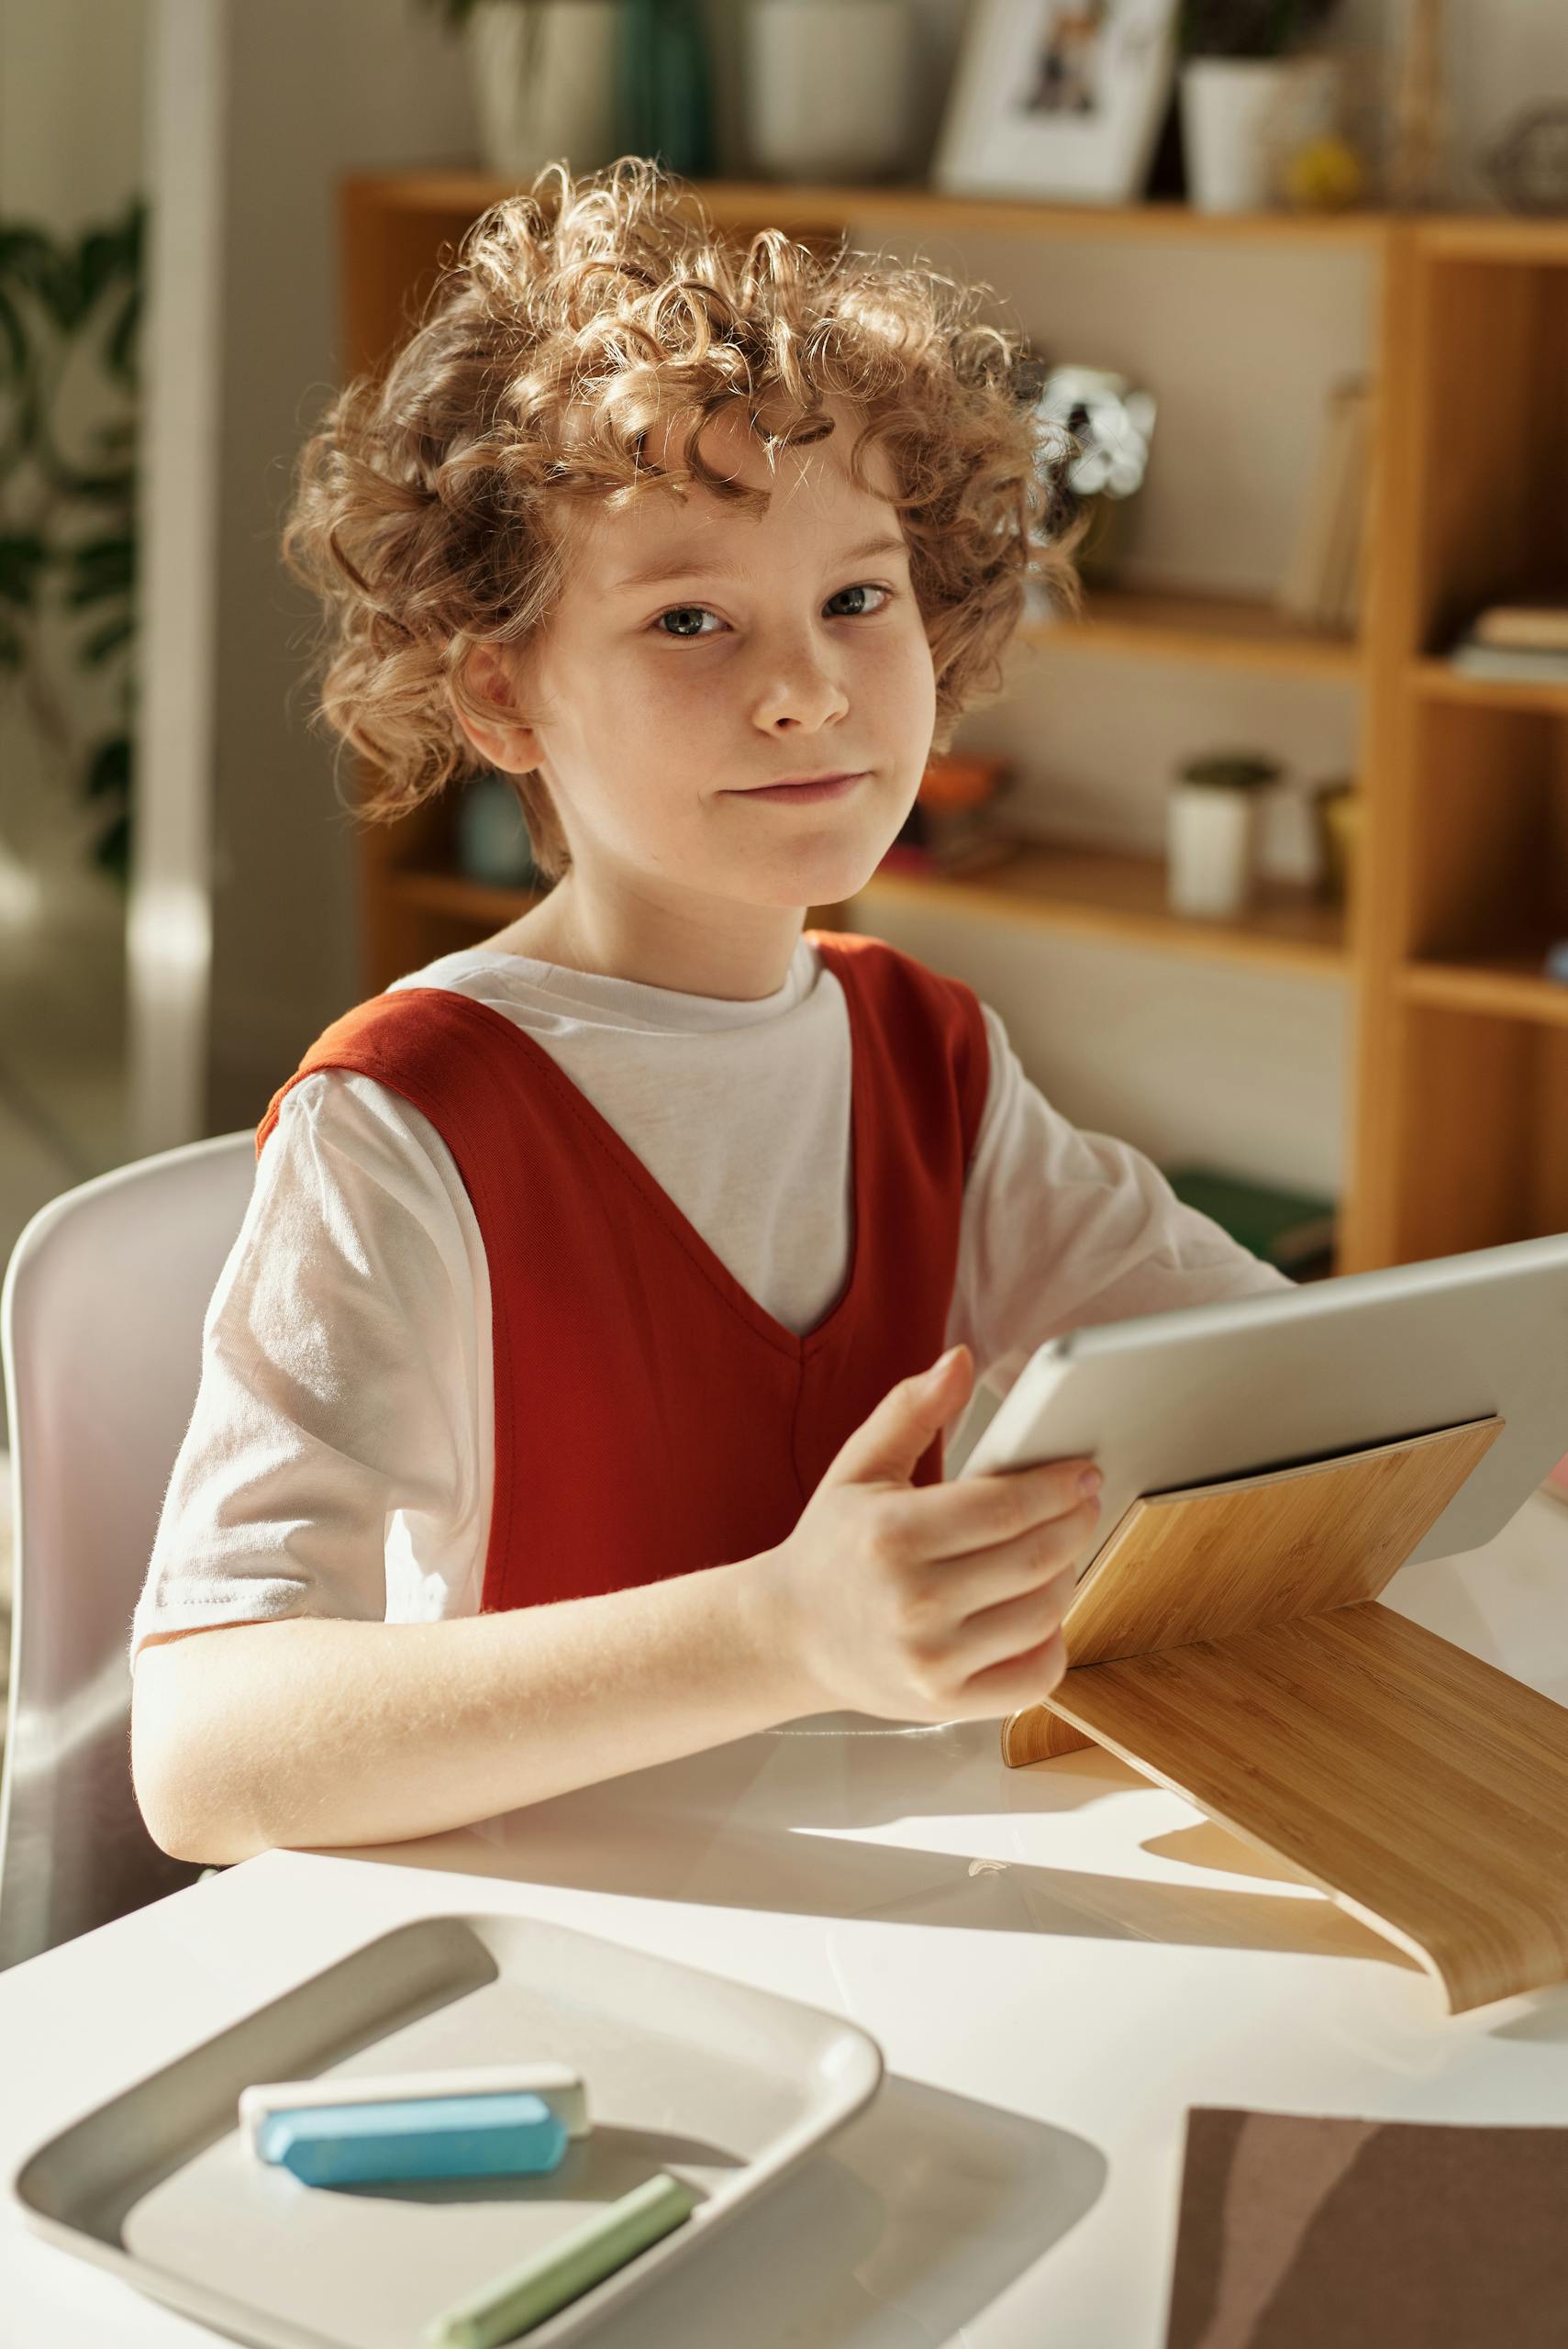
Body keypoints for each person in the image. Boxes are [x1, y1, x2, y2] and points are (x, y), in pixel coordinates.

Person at [129, 159, 1292, 1867]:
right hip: (568, 1962)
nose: (808, 685)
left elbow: (1279, 1388)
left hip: (893, 1915)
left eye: (856, 597)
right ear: (501, 692)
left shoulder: (927, 1058)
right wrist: (774, 1634)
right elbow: (207, 1757)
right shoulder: (408, 1119)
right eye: (688, 618)